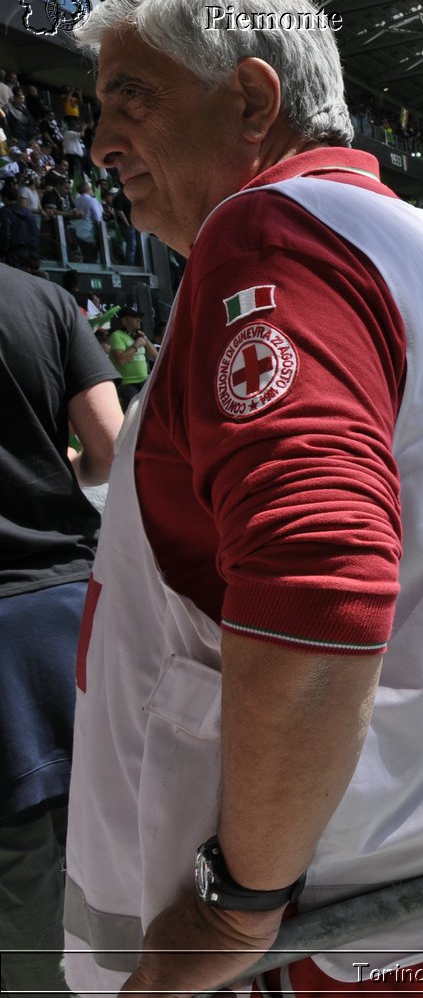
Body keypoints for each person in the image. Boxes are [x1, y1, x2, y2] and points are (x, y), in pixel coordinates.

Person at [67, 0, 423, 995]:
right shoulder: (400, 238)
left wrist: (235, 902)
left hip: (327, 925)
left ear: (251, 98)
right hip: (412, 883)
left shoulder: (272, 234)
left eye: (133, 99)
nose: (100, 141)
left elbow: (319, 585)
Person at [0, 266, 122, 997]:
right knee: (121, 854)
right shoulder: (42, 300)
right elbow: (109, 444)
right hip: (74, 615)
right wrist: (54, 473)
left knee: (24, 908)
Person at [105, 303, 157, 407]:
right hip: (127, 384)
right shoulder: (117, 336)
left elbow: (155, 356)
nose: (139, 320)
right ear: (124, 321)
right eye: (134, 317)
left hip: (144, 381)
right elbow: (120, 360)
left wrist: (145, 339)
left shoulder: (138, 336)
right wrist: (136, 346)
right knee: (134, 413)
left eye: (139, 318)